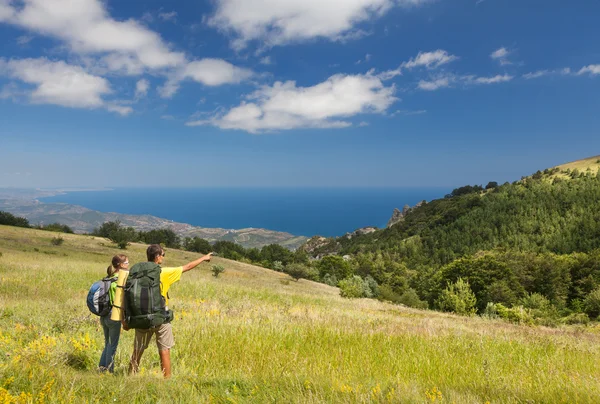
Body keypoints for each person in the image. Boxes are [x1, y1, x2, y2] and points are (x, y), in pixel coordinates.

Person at [128, 244, 212, 378]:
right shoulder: (164, 272)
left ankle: (130, 375)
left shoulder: (137, 274)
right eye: (163, 255)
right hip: (160, 318)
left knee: (138, 350)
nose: (163, 257)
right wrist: (204, 258)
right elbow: (187, 267)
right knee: (164, 350)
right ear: (157, 256)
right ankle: (166, 380)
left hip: (141, 316)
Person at [99, 254, 129, 373]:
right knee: (113, 345)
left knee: (107, 343)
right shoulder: (120, 280)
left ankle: (102, 369)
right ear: (121, 265)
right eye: (127, 263)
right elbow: (120, 302)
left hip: (104, 315)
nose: (128, 265)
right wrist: (123, 319)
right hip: (114, 315)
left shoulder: (108, 278)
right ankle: (109, 371)